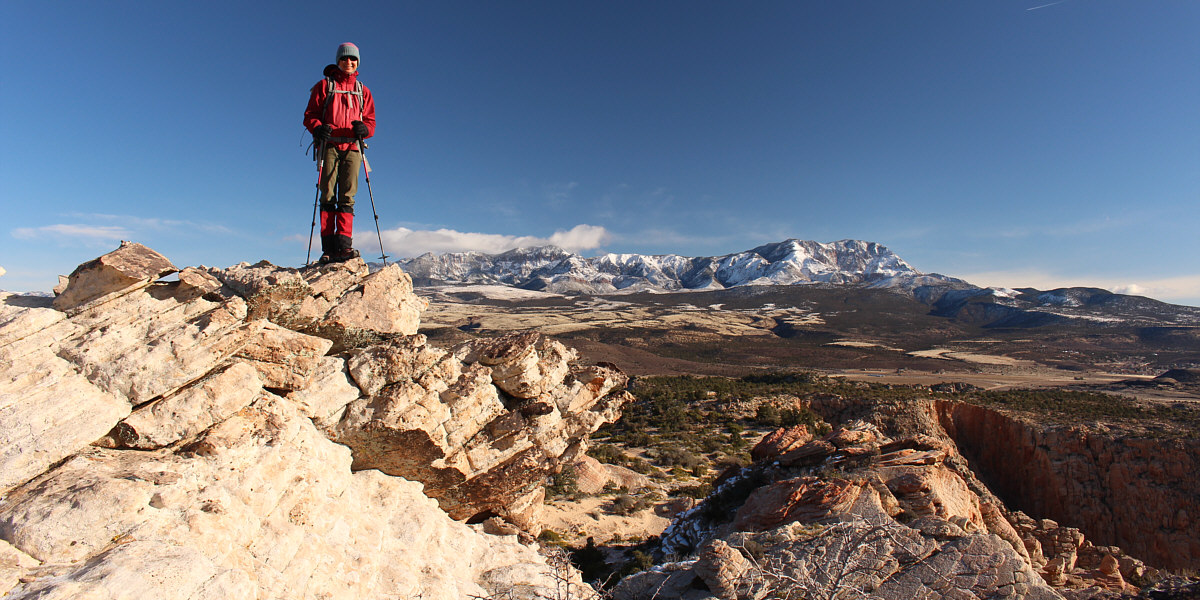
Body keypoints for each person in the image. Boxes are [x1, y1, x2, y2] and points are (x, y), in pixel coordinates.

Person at [303, 42, 376, 263]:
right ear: (338, 61)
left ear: (357, 63)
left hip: (353, 147)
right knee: (327, 195)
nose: (349, 63)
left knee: (347, 196)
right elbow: (310, 115)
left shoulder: (363, 91)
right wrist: (317, 127)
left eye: (353, 60)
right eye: (345, 59)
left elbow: (370, 122)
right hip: (330, 146)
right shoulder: (324, 87)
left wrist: (365, 130)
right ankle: (329, 249)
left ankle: (344, 247)